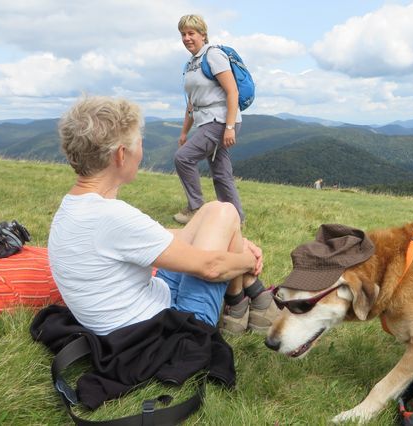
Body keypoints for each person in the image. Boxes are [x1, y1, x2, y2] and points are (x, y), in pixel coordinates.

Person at [48, 96, 278, 336]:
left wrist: (236, 242)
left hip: (137, 315)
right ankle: (245, 299)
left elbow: (159, 237)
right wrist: (247, 260)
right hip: (172, 331)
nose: (142, 149)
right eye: (139, 142)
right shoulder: (113, 217)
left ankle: (239, 301)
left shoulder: (73, 208)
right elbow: (211, 268)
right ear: (121, 155)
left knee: (212, 211)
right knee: (226, 212)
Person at [173, 14, 244, 225]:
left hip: (221, 121)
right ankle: (235, 218)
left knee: (183, 158)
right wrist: (184, 131)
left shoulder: (213, 56)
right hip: (207, 121)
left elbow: (232, 92)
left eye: (191, 33)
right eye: (183, 34)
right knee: (221, 173)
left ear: (203, 34)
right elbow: (191, 104)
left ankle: (195, 209)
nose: (186, 38)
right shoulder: (191, 63)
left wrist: (230, 126)